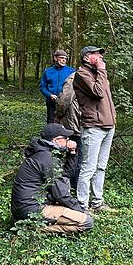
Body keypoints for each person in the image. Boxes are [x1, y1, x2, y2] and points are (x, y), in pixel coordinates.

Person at [11, 123, 93, 234]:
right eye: (65, 138)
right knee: (87, 222)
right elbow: (61, 195)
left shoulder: (43, 153)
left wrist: (72, 153)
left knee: (74, 212)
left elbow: (65, 175)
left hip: (25, 207)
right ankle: (35, 229)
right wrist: (81, 210)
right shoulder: (47, 158)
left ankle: (30, 224)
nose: (68, 140)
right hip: (31, 209)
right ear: (55, 140)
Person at [73, 46, 116, 212]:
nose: (100, 57)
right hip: (93, 127)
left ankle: (97, 202)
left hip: (108, 126)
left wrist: (113, 120)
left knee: (101, 167)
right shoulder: (82, 74)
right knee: (88, 167)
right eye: (96, 54)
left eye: (101, 54)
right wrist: (102, 71)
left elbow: (107, 98)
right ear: (86, 57)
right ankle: (82, 206)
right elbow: (98, 92)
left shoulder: (98, 74)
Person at [54, 72, 81, 187]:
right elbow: (64, 101)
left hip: (79, 124)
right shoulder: (74, 79)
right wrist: (59, 115)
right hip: (73, 124)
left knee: (75, 154)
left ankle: (70, 184)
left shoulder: (93, 76)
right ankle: (64, 185)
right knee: (71, 153)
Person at [39, 50, 75, 124]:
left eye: (65, 58)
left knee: (67, 124)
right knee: (51, 124)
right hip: (52, 103)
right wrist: (50, 95)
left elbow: (75, 87)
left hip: (66, 103)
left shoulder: (71, 71)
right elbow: (42, 86)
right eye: (61, 58)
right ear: (55, 58)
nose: (63, 60)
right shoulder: (48, 71)